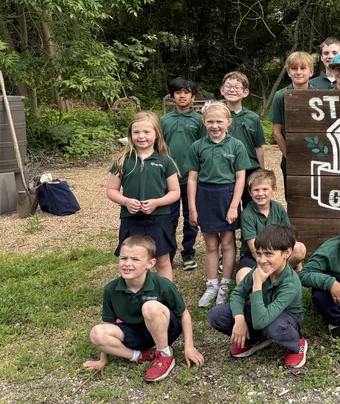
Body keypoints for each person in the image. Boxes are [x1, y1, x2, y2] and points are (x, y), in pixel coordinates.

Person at [83, 235, 204, 382]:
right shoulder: (111, 289)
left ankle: (164, 354)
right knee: (97, 333)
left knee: (150, 307)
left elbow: (184, 314)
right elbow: (109, 323)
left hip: (165, 330)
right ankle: (140, 356)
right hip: (135, 334)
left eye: (135, 259)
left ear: (150, 263)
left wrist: (189, 347)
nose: (127, 264)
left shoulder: (163, 284)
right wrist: (103, 359)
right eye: (123, 258)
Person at [207, 225, 308, 369]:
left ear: (287, 252)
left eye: (269, 254)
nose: (262, 260)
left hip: (284, 319)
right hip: (260, 313)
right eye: (259, 254)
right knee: (216, 315)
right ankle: (257, 338)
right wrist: (239, 319)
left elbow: (261, 321)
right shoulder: (260, 269)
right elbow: (238, 293)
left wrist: (257, 284)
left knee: (273, 326)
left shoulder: (290, 284)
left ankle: (297, 344)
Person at [187, 102, 250, 307]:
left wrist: (234, 206)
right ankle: (212, 284)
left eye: (219, 121)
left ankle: (225, 283)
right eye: (210, 122)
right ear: (204, 122)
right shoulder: (197, 146)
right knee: (211, 244)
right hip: (205, 196)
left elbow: (240, 178)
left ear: (228, 122)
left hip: (227, 196)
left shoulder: (236, 146)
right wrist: (193, 208)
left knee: (227, 243)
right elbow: (192, 179)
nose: (215, 126)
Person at [106, 111, 180, 280]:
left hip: (159, 219)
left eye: (146, 132)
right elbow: (111, 190)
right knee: (132, 260)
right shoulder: (122, 161)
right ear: (130, 135)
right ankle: (135, 290)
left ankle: (165, 292)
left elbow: (175, 192)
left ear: (157, 134)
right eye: (136, 132)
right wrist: (126, 201)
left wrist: (157, 202)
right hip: (131, 219)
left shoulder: (165, 161)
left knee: (162, 260)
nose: (141, 136)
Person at [161, 77, 207, 271]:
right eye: (178, 92)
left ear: (193, 96)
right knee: (169, 218)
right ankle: (168, 255)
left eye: (186, 92)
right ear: (172, 96)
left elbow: (204, 148)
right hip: (169, 179)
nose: (182, 96)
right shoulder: (164, 120)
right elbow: (159, 148)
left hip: (192, 179)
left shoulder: (199, 120)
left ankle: (188, 253)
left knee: (191, 217)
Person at [236, 169, 307, 285]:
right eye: (256, 190)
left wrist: (299, 266)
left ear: (274, 190)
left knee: (299, 249)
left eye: (265, 189)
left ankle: (271, 277)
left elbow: (290, 237)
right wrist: (266, 262)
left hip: (276, 252)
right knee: (242, 277)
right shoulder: (247, 214)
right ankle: (272, 277)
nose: (260, 194)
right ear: (250, 192)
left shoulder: (278, 208)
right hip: (255, 256)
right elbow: (254, 250)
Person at [220, 71, 266, 208]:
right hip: (225, 170)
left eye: (237, 87)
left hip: (249, 169)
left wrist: (262, 172)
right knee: (228, 210)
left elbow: (258, 147)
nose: (232, 90)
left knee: (251, 208)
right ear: (222, 90)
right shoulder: (217, 117)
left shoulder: (253, 118)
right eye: (228, 86)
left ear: (245, 92)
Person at [270, 51, 315, 189]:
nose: (298, 72)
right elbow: (277, 132)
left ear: (311, 72)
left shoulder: (319, 95)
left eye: (303, 68)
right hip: (290, 155)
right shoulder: (280, 96)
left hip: (315, 155)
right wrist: (288, 156)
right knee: (293, 195)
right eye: (294, 69)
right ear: (289, 72)